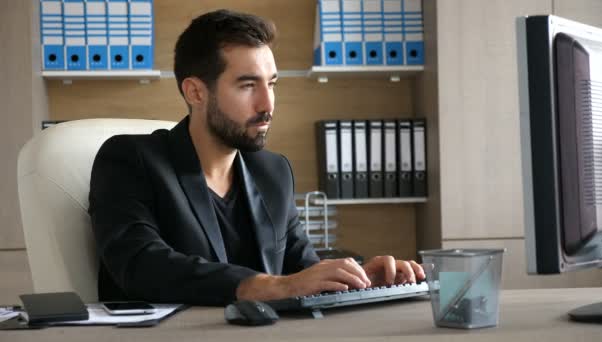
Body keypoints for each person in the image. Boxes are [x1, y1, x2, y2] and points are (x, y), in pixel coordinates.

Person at [88, 9, 425, 306]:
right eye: (248, 85)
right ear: (195, 92)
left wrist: (357, 282)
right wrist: (266, 285)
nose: (267, 104)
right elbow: (140, 265)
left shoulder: (272, 171)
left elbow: (302, 270)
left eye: (272, 83)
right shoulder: (130, 159)